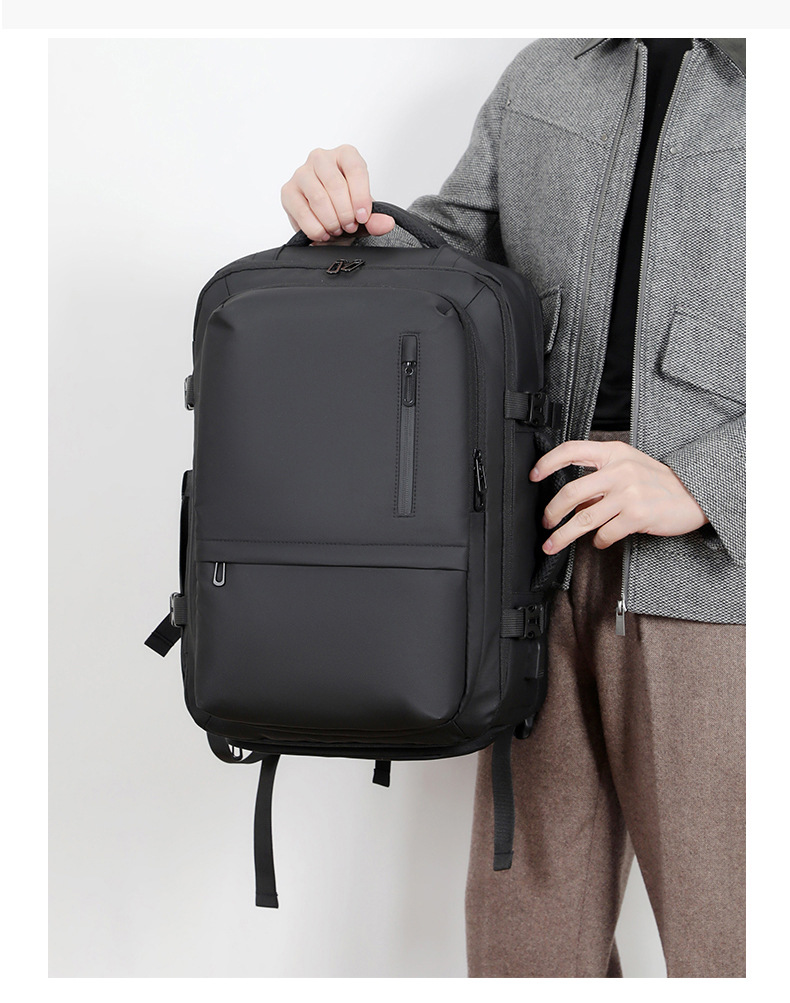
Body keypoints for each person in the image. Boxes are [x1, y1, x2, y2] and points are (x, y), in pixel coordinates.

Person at [280, 37, 745, 979]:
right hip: (532, 566)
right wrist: (339, 224)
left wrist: (711, 480)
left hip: (723, 581)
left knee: (734, 946)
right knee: (523, 949)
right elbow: (444, 270)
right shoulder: (547, 76)